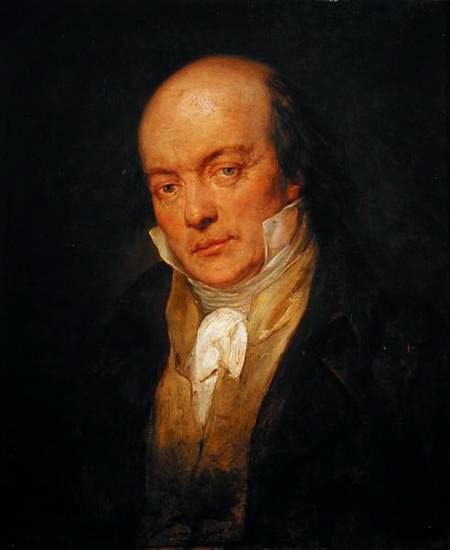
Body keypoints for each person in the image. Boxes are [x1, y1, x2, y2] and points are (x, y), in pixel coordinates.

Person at [80, 55, 448, 548]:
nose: (196, 213)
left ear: (292, 169)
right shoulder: (123, 339)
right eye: (168, 187)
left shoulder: (401, 343)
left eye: (226, 170)